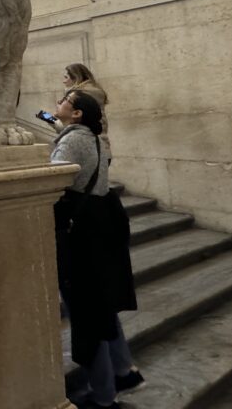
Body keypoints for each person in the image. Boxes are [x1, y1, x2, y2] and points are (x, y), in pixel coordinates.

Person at [51, 91, 142, 409]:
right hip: (99, 229)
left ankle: (104, 396)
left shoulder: (73, 141)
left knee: (86, 315)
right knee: (102, 307)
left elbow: (53, 182)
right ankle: (124, 370)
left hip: (79, 237)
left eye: (65, 99)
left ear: (77, 113)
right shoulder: (95, 139)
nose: (58, 101)